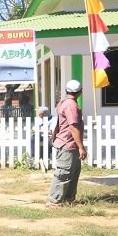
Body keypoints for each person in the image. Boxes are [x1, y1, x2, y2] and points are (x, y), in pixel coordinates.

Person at [46, 80, 87, 208]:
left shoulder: (63, 102)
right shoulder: (71, 105)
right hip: (67, 143)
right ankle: (54, 201)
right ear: (79, 92)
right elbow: (73, 127)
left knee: (73, 172)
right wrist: (81, 147)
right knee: (64, 173)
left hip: (67, 143)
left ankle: (69, 199)